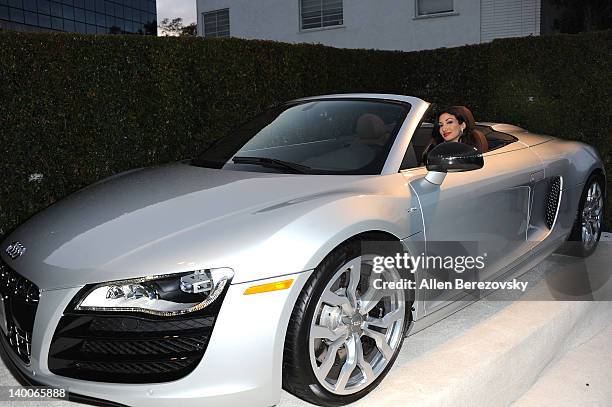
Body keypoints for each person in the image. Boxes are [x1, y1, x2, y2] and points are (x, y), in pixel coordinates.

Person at [421, 106, 488, 164]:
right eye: (441, 125)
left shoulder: (472, 149)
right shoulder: (434, 146)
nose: (444, 129)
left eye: (449, 122)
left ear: (463, 125)